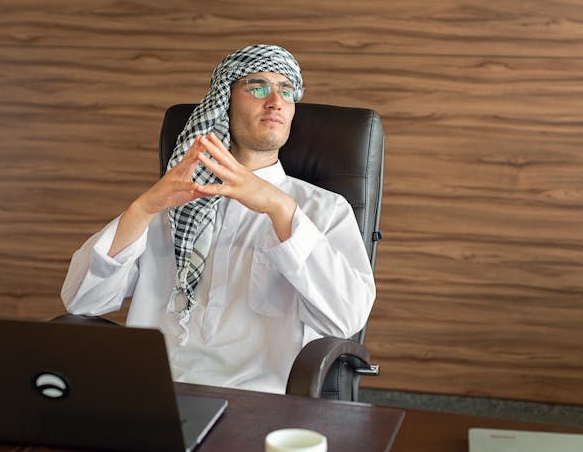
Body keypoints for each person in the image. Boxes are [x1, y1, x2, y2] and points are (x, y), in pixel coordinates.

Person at [61, 44, 375, 394]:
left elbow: (346, 320)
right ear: (224, 100)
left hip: (257, 404)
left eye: (286, 91)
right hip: (154, 392)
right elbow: (81, 302)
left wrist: (280, 209)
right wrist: (143, 208)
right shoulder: (174, 201)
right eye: (258, 87)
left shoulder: (323, 210)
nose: (275, 101)